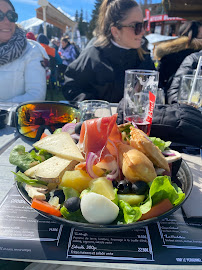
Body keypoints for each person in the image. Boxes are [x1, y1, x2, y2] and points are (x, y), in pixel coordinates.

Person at [62, 0, 155, 103]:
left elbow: (156, 92)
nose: (143, 31)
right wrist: (94, 107)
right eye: (136, 26)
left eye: (144, 24)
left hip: (135, 119)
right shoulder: (94, 55)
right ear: (115, 32)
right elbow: (70, 86)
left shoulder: (144, 56)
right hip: (99, 118)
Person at [0, 0, 49, 103]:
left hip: (12, 118)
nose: (7, 21)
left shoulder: (31, 50)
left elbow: (36, 96)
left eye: (11, 16)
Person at [154, 21, 202, 103]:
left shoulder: (168, 53)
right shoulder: (196, 56)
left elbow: (159, 79)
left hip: (166, 100)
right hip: (188, 102)